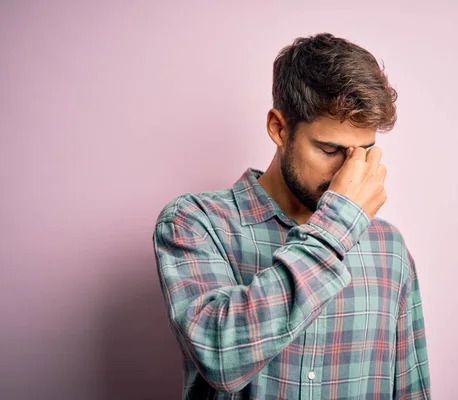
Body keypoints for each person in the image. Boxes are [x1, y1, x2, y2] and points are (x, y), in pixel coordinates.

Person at [152, 32, 431, 399]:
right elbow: (220, 355)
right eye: (330, 149)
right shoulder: (194, 223)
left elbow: (411, 390)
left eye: (363, 152)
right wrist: (338, 225)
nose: (347, 173)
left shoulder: (388, 247)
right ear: (279, 128)